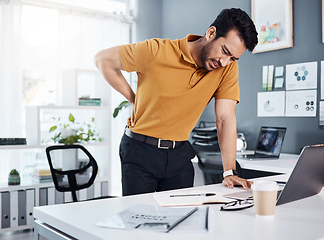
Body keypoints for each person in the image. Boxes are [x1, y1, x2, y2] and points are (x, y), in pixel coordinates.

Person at [94, 8, 258, 196]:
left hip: (179, 154)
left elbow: (225, 117)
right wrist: (132, 98)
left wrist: (229, 172)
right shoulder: (156, 50)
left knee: (181, 218)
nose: (224, 62)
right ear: (211, 33)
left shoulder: (227, 69)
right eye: (225, 51)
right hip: (140, 150)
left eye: (233, 58)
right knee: (139, 217)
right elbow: (102, 60)